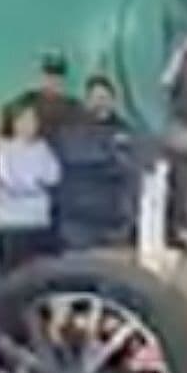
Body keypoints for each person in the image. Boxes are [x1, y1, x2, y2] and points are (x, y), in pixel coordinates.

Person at [53, 76, 142, 252]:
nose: (100, 103)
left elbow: (131, 170)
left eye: (105, 98)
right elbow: (74, 158)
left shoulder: (126, 131)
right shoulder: (70, 129)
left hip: (114, 223)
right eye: (95, 98)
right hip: (77, 223)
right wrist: (111, 153)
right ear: (86, 101)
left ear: (113, 101)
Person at [0, 102, 62, 272]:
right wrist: (35, 182)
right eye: (24, 119)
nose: (30, 124)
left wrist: (33, 181)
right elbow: (11, 181)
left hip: (39, 222)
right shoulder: (4, 148)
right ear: (14, 123)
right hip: (12, 225)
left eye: (33, 119)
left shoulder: (43, 147)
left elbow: (54, 176)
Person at [9, 51, 86, 141]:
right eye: (49, 76)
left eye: (57, 76)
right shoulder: (30, 98)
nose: (53, 81)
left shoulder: (74, 105)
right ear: (43, 78)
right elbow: (9, 113)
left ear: (63, 80)